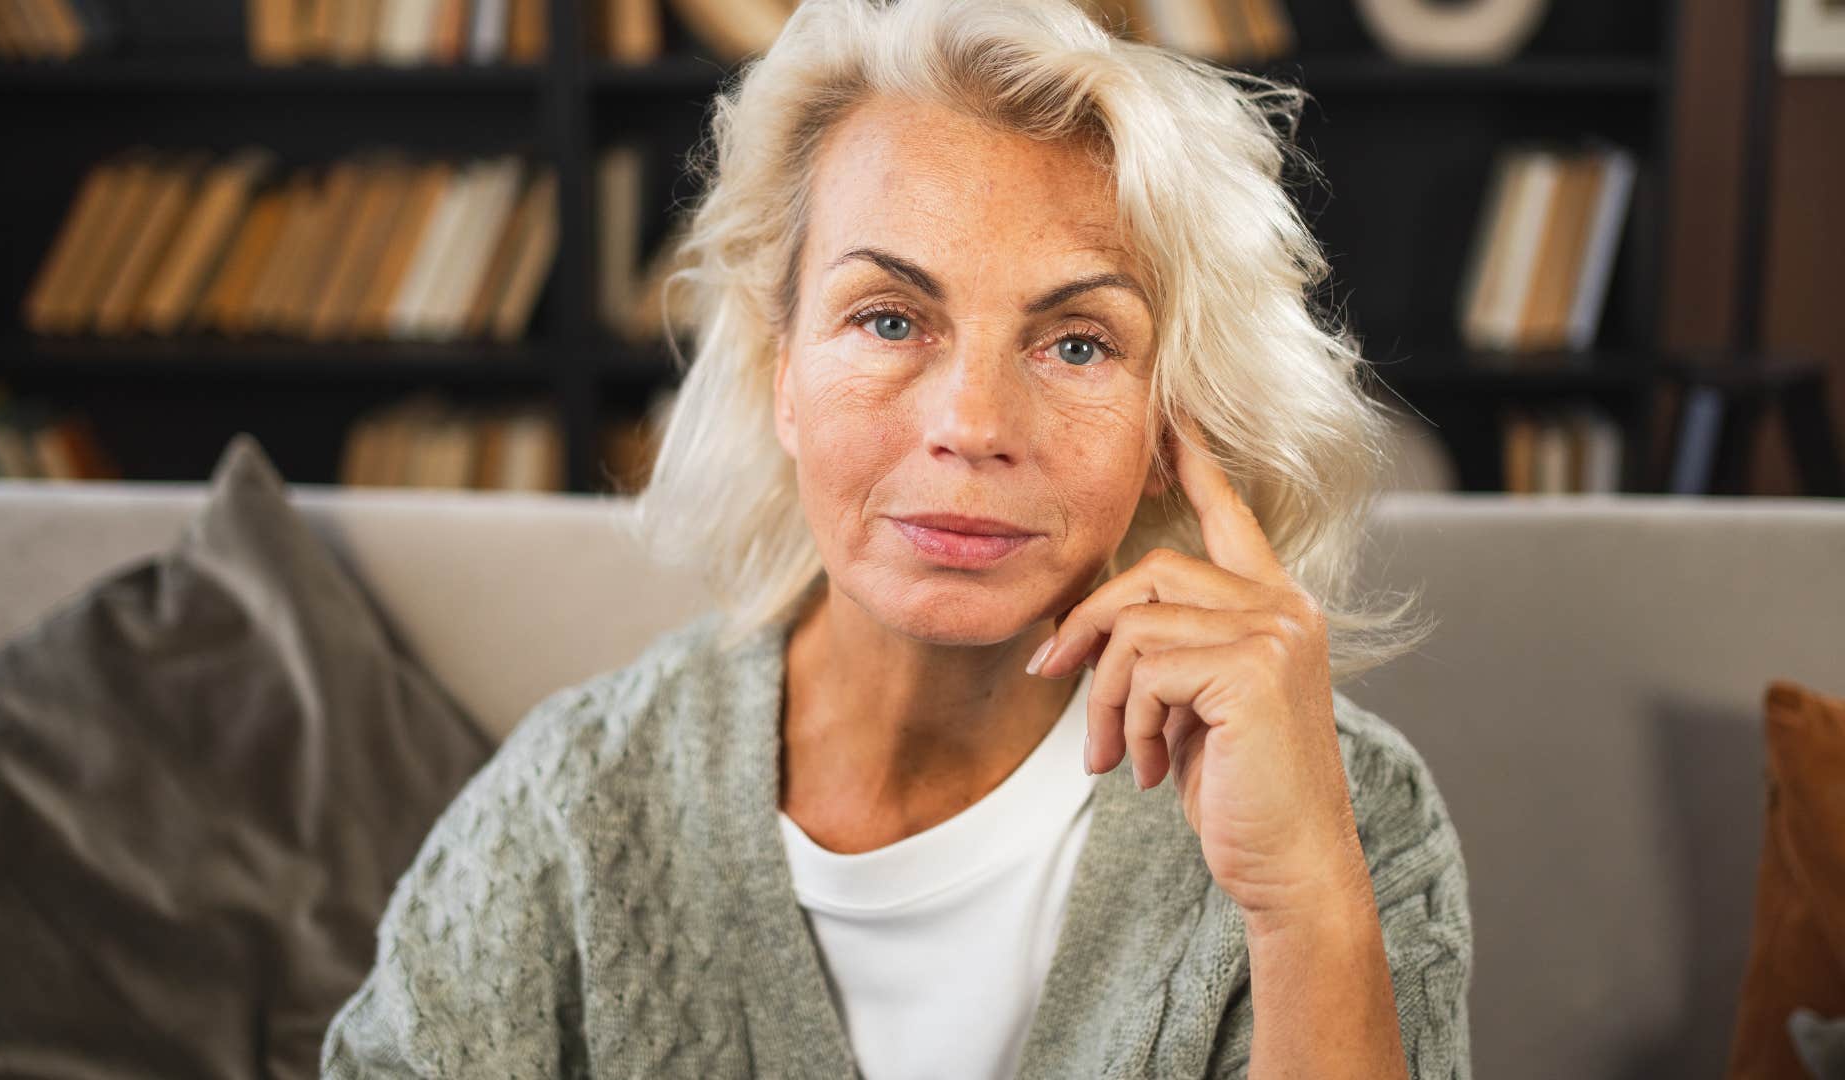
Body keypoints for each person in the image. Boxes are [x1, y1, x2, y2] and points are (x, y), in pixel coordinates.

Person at [319, 0, 1472, 1076]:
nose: (973, 427)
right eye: (888, 318)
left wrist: (1307, 903)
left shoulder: (1350, 809)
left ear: (1174, 421)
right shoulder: (573, 807)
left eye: (1077, 344)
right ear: (782, 371)